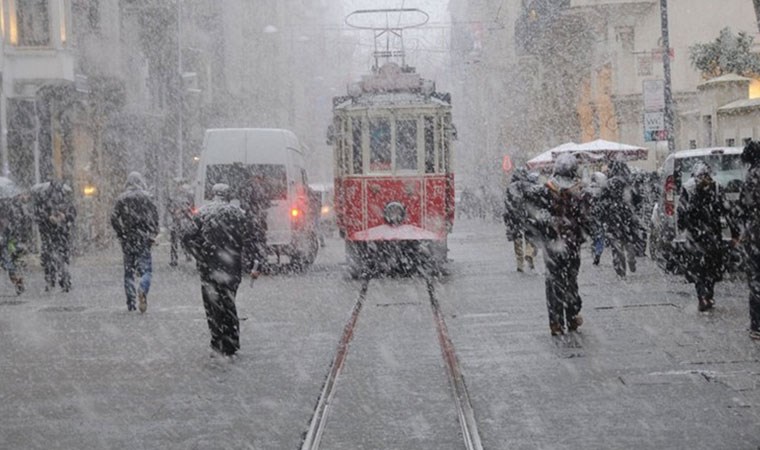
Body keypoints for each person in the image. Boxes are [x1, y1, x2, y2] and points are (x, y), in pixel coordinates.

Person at [183, 184, 260, 357]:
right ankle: (231, 342)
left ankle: (217, 341)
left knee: (212, 306)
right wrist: (253, 263)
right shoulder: (238, 214)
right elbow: (252, 240)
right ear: (228, 196)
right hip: (231, 268)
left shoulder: (202, 214)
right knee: (229, 303)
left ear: (213, 195)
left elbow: (186, 237)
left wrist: (200, 255)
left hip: (209, 268)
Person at [525, 154, 590, 335]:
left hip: (552, 246)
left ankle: (555, 322)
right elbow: (585, 220)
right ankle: (571, 317)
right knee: (570, 280)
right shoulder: (579, 193)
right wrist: (580, 235)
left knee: (553, 282)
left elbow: (534, 214)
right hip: (571, 246)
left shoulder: (546, 190)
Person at [677, 162, 738, 312]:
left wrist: (683, 227)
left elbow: (682, 211)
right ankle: (708, 294)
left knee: (698, 267)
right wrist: (733, 233)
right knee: (712, 265)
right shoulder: (716, 187)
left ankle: (701, 296)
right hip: (713, 233)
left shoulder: (687, 187)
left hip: (695, 234)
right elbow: (727, 212)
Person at [110, 172, 159, 313]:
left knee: (129, 271)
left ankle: (131, 301)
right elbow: (155, 217)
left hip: (128, 238)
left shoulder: (122, 199)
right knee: (147, 270)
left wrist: (121, 232)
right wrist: (152, 233)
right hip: (143, 238)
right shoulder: (147, 197)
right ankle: (143, 288)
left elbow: (113, 218)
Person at [33, 180, 77, 292]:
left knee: (58, 257)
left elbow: (72, 214)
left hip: (59, 234)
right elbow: (37, 216)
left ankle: (61, 280)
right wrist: (48, 218)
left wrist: (64, 216)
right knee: (52, 257)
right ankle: (54, 280)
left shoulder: (64, 201)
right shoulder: (43, 201)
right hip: (51, 234)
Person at [601, 161, 641, 278]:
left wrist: (605, 215)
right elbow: (638, 199)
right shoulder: (629, 183)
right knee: (629, 240)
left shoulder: (608, 184)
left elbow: (601, 203)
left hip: (613, 218)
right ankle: (631, 258)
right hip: (628, 216)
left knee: (616, 244)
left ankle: (620, 269)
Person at [739, 141, 760, 339]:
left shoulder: (752, 176)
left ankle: (756, 325)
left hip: (756, 234)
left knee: (755, 278)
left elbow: (744, 206)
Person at [503, 167, 537, 272]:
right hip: (528, 216)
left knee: (517, 240)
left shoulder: (510, 188)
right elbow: (534, 202)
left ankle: (520, 263)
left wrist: (509, 216)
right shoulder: (529, 186)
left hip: (514, 217)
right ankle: (529, 253)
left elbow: (507, 204)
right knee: (530, 238)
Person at [0, 193, 28, 295]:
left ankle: (17, 281)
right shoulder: (10, 205)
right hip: (6, 240)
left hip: (4, 240)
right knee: (8, 262)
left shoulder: (6, 207)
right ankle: (17, 281)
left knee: (7, 262)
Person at [166, 181, 195, 267]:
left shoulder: (187, 197)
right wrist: (174, 212)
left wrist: (185, 211)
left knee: (184, 240)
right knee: (174, 241)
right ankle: (174, 259)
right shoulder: (173, 197)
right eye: (178, 186)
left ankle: (187, 254)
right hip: (176, 222)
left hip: (184, 221)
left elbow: (191, 208)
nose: (179, 188)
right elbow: (169, 208)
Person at [584, 171, 607, 266]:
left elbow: (583, 204)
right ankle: (598, 252)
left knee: (593, 236)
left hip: (590, 216)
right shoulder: (603, 190)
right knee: (599, 235)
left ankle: (594, 252)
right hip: (599, 216)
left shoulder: (587, 190)